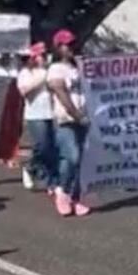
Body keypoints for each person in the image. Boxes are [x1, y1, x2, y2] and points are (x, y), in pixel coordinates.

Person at [47, 29, 90, 217]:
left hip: (84, 118)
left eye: (73, 43)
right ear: (58, 48)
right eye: (67, 45)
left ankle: (76, 198)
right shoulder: (56, 69)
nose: (71, 47)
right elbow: (60, 92)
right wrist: (76, 114)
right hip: (66, 119)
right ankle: (63, 191)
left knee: (81, 160)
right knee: (72, 156)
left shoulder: (78, 67)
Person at [17, 42, 56, 192]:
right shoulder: (26, 73)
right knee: (42, 147)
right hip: (35, 115)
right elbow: (24, 90)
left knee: (52, 149)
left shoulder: (50, 71)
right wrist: (43, 77)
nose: (45, 58)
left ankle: (51, 181)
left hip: (52, 114)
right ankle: (30, 167)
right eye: (42, 55)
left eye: (46, 55)